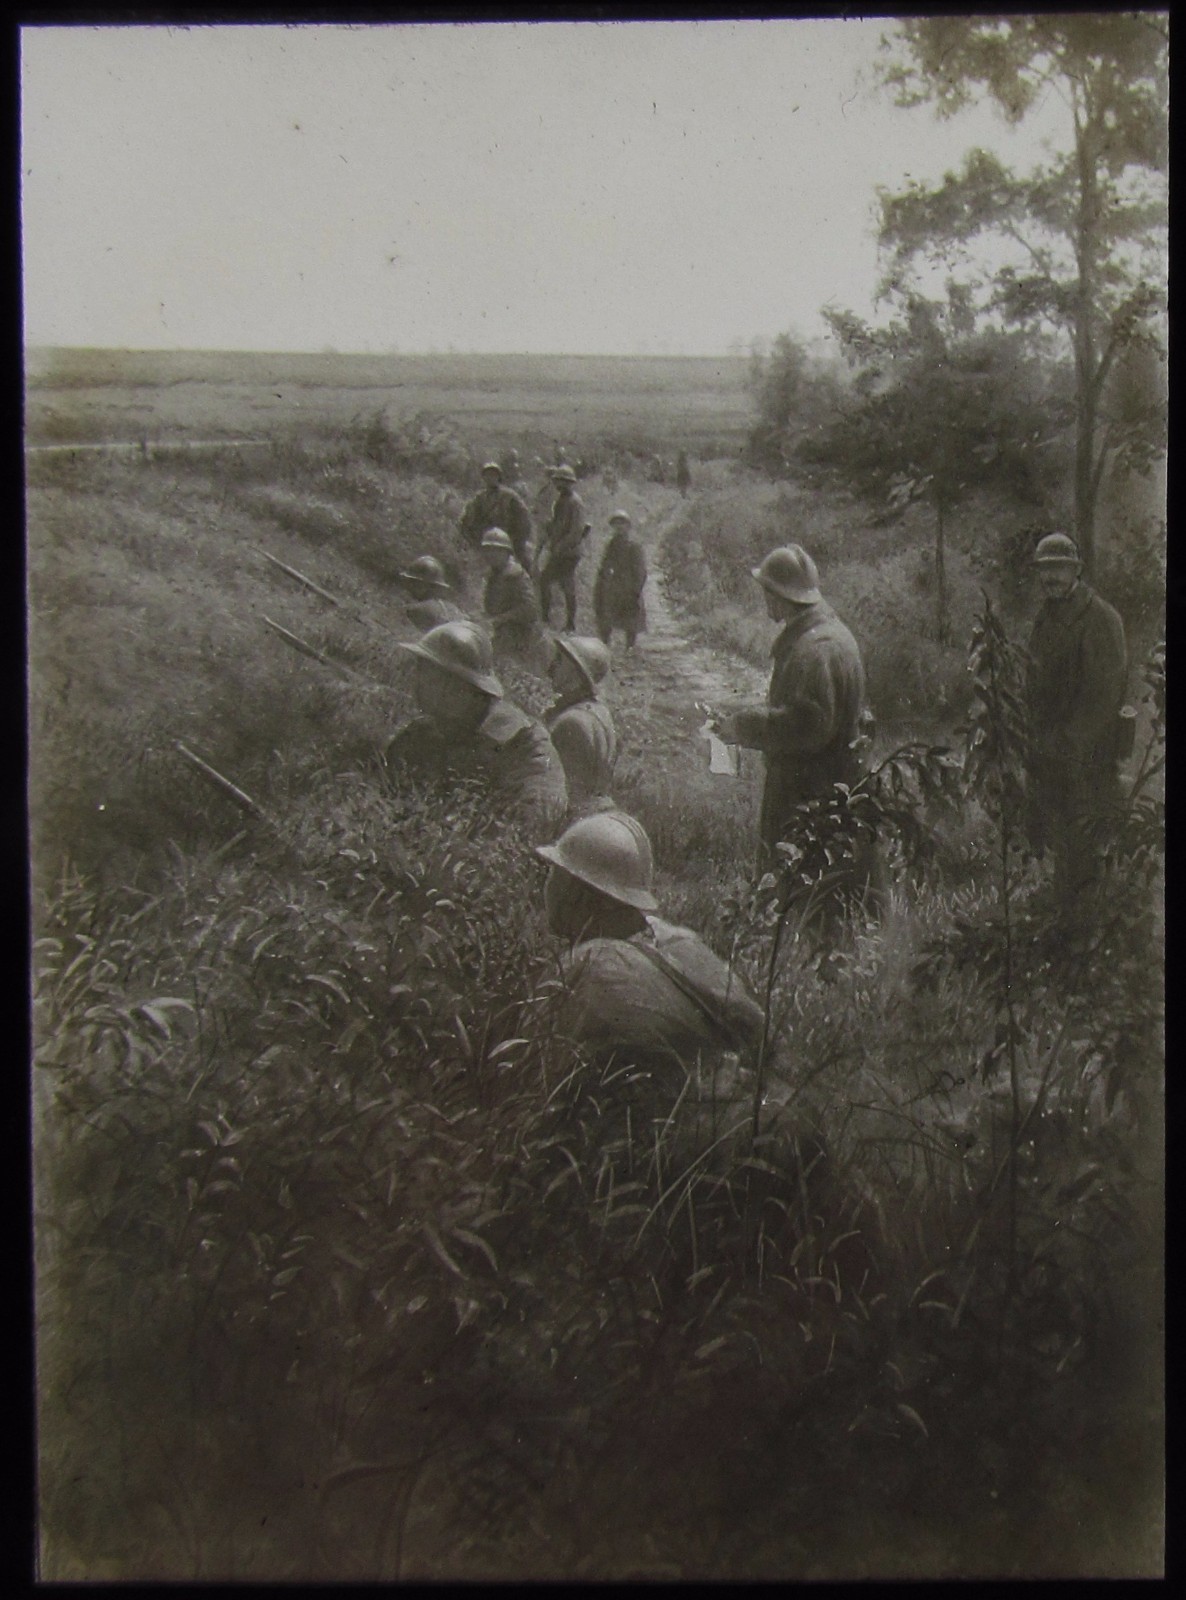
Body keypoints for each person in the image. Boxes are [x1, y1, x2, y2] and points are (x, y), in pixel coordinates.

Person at [536, 812, 764, 1075]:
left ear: (579, 895)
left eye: (555, 875)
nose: (548, 887)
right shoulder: (682, 942)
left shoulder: (583, 968)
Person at [716, 544, 880, 908]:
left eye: (767, 593)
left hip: (809, 792)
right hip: (833, 786)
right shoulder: (829, 634)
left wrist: (743, 726)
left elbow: (808, 726)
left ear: (780, 596)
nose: (764, 602)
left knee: (802, 893)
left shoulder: (815, 649)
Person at [387, 620, 567, 839]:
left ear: (454, 685)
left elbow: (533, 826)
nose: (416, 679)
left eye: (425, 671)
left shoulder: (526, 746)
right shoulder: (426, 731)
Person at [1025, 532, 1128, 906]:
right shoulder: (1047, 616)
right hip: (1049, 753)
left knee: (1085, 846)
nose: (1049, 578)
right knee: (1056, 843)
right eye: (1044, 570)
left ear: (1077, 570)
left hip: (1086, 757)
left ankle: (1085, 923)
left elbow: (1102, 699)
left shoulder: (1100, 619)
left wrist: (1066, 746)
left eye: (1058, 569)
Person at [544, 634, 618, 817]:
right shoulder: (599, 711)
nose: (551, 667)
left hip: (576, 819)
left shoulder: (571, 722)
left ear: (576, 671)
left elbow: (565, 794)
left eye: (560, 661)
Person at [537, 464, 589, 632]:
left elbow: (576, 530)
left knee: (564, 584)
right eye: (558, 481)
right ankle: (547, 618)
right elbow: (559, 524)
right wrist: (549, 528)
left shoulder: (575, 502)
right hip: (561, 550)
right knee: (549, 581)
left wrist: (560, 545)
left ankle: (568, 623)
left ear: (570, 483)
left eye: (563, 482)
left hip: (569, 552)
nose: (559, 485)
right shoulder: (561, 501)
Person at [458, 460, 535, 572]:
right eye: (487, 475)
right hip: (488, 539)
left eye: (493, 475)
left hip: (509, 539)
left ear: (499, 477)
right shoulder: (480, 498)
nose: (490, 478)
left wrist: (519, 539)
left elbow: (524, 517)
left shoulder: (509, 496)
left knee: (521, 566)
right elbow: (467, 518)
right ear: (483, 478)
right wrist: (472, 538)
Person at [479, 528, 543, 660]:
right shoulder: (494, 575)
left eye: (495, 551)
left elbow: (530, 609)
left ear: (506, 553)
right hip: (498, 630)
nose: (490, 555)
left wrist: (500, 619)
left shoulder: (516, 575)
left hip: (517, 635)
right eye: (488, 550)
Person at [593, 510, 648, 650]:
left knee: (631, 618)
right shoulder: (611, 545)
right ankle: (604, 645)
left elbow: (640, 570)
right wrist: (603, 579)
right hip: (614, 586)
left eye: (622, 523)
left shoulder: (634, 546)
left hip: (629, 586)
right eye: (616, 524)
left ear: (628, 526)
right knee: (605, 615)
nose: (619, 527)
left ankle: (630, 646)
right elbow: (605, 564)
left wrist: (636, 589)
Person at [394, 554, 464, 631]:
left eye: (414, 582)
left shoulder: (417, 610)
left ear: (425, 585)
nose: (409, 586)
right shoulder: (455, 610)